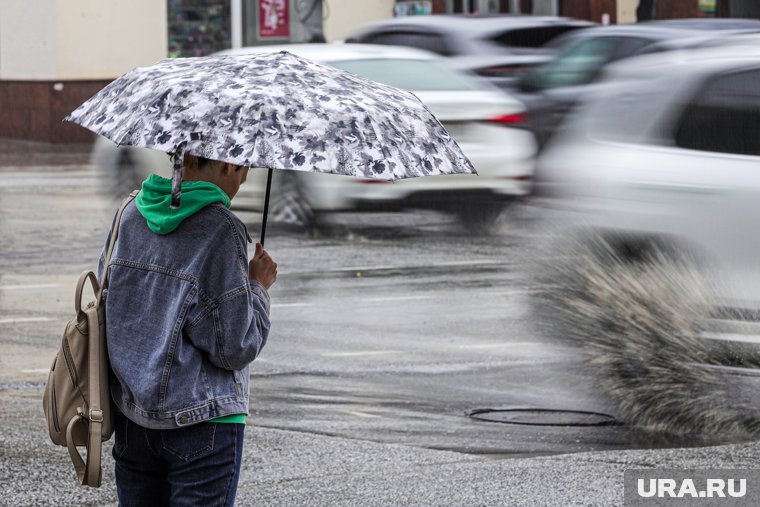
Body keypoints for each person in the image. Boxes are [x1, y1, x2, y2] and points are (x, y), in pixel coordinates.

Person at [98, 155, 277, 506]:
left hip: (133, 415)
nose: (241, 185)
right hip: (203, 420)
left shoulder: (130, 213)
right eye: (244, 173)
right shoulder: (221, 228)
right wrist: (257, 287)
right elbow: (235, 347)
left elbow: (110, 303)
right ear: (229, 166)